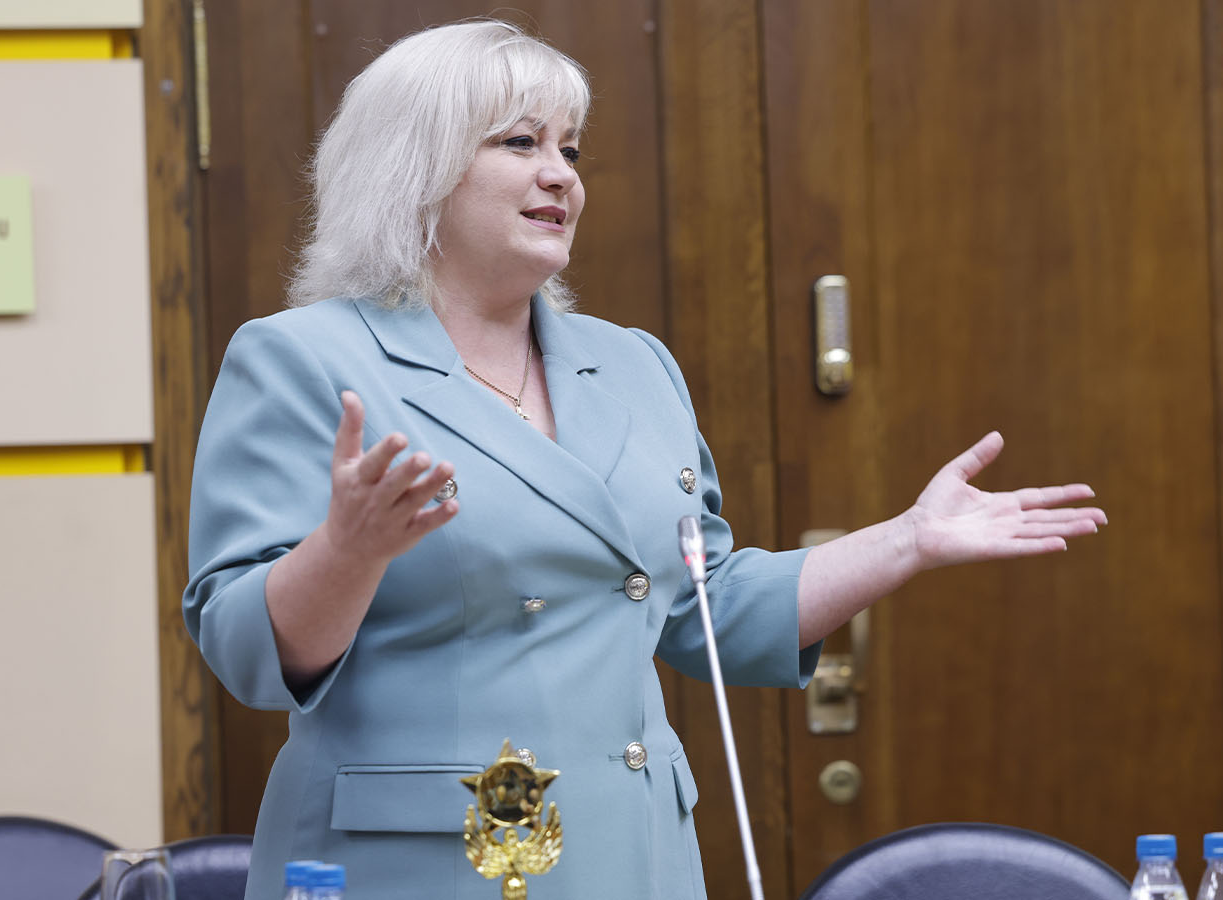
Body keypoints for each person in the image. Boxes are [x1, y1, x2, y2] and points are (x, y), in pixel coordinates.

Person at [183, 19, 1106, 900]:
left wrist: (907, 540)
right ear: (413, 167)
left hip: (633, 850)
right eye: (520, 143)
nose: (561, 175)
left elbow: (706, 607)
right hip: (431, 863)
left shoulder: (633, 364)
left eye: (571, 149)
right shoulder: (303, 359)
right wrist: (348, 551)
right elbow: (245, 652)